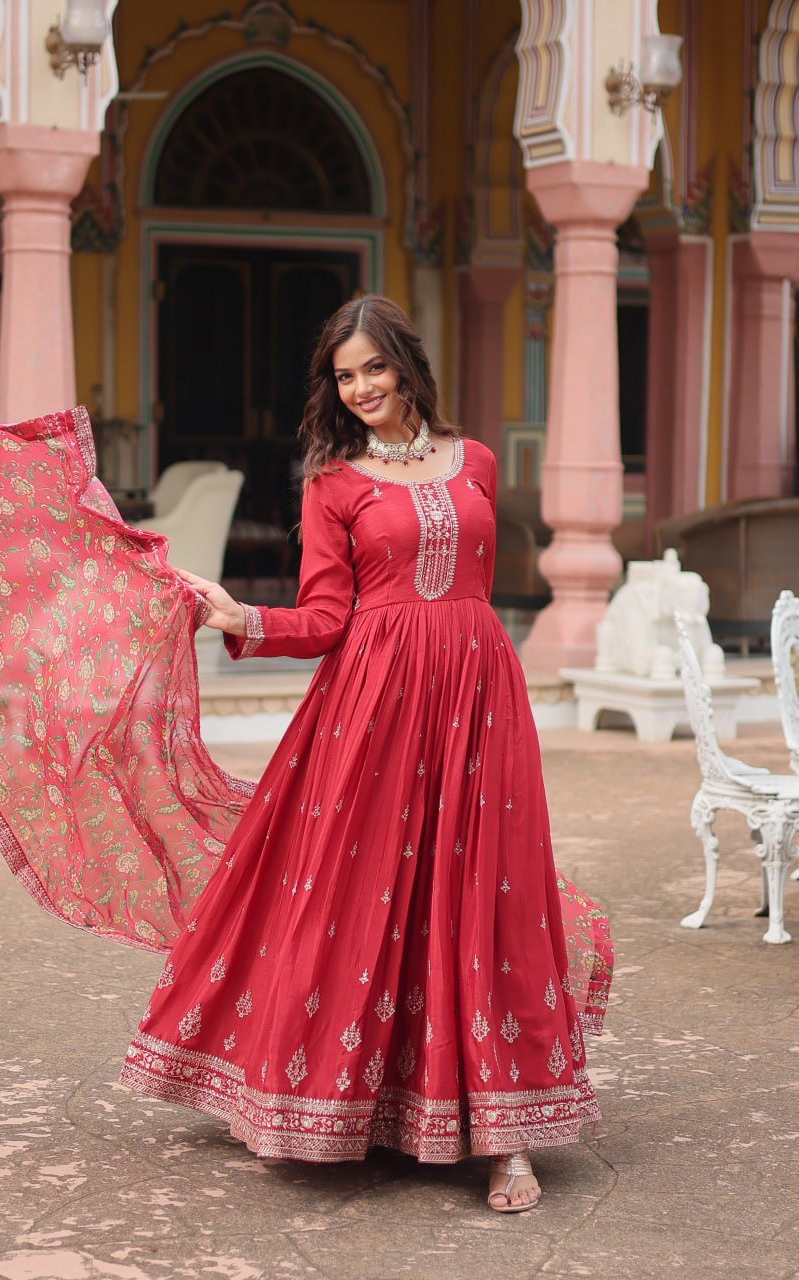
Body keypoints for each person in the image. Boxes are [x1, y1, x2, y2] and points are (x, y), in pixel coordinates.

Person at [118, 295, 613, 1213]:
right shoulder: (333, 482)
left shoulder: (475, 461)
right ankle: (347, 1102)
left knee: (484, 896)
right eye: (344, 377)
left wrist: (462, 665)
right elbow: (325, 619)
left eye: (373, 370)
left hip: (477, 699)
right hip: (372, 711)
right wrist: (242, 618)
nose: (360, 390)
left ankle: (505, 1138)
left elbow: (467, 589)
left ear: (406, 366)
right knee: (361, 894)